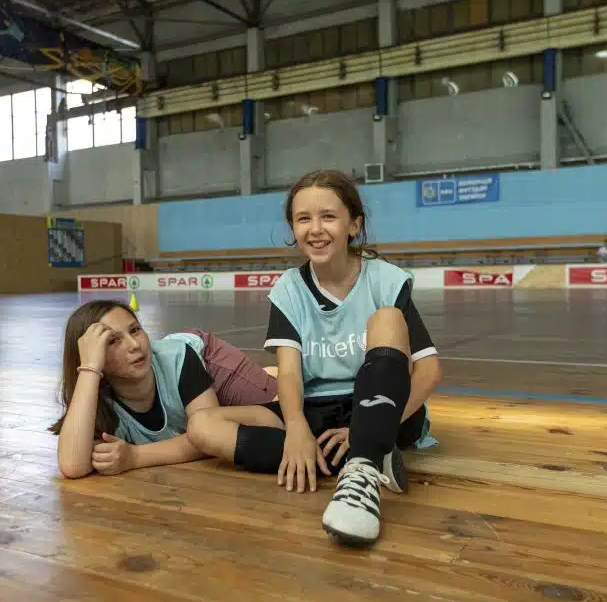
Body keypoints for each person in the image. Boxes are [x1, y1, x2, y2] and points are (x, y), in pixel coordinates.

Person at [186, 169, 442, 547]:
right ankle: (367, 456)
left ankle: (362, 464)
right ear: (293, 227)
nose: (315, 229)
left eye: (328, 216)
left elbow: (429, 370)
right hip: (315, 410)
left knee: (387, 319)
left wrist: (364, 427)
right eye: (303, 218)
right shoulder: (289, 288)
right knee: (202, 426)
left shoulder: (386, 280)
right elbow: (288, 375)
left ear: (354, 224)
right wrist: (295, 428)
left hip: (379, 403)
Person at [50, 299, 278, 479]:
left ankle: (269, 377)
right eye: (113, 341)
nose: (134, 345)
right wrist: (90, 369)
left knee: (278, 414)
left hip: (209, 361)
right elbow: (72, 465)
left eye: (135, 330)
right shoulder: (92, 393)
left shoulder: (178, 357)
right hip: (185, 399)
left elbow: (210, 438)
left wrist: (135, 457)